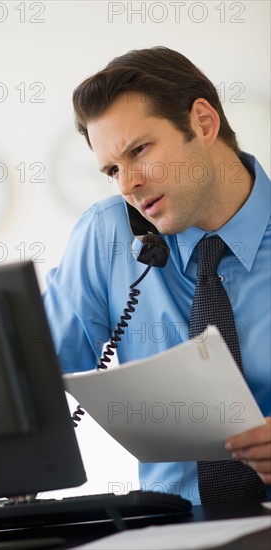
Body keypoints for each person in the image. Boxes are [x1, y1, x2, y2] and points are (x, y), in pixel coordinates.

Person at [43, 47, 271, 504]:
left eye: (139, 151)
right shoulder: (108, 234)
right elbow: (27, 371)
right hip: (172, 529)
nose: (127, 185)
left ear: (203, 124)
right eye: (112, 170)